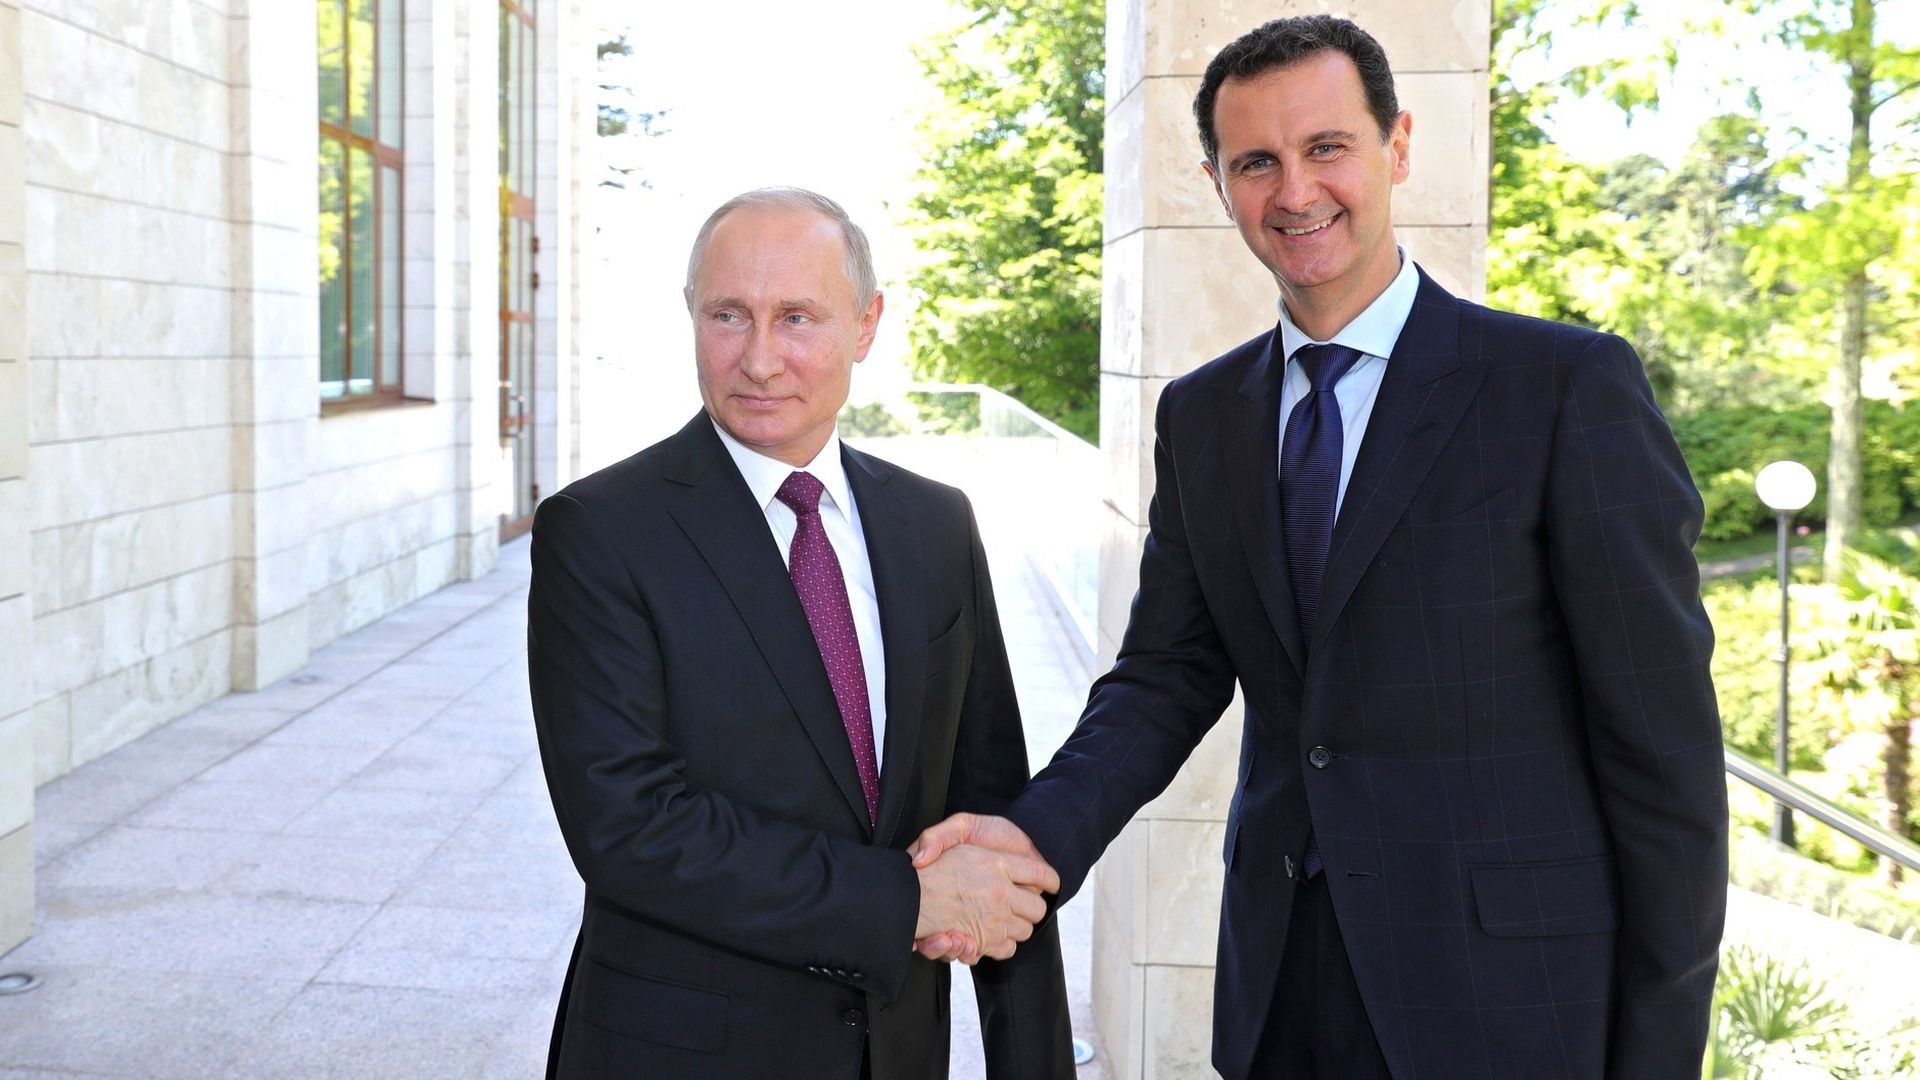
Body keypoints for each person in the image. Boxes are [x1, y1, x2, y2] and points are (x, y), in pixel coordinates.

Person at [911, 15, 1727, 1080]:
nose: (1294, 192)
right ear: (1217, 183)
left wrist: (1659, 1058)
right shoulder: (1205, 416)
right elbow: (1168, 674)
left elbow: (1664, 765)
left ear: (1396, 147)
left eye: (1326, 147)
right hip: (1284, 988)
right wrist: (1035, 838)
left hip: (1510, 1006)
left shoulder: (1564, 390)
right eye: (1256, 162)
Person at [528, 187, 1074, 1080]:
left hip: (894, 1052)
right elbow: (627, 826)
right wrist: (899, 898)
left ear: (866, 326)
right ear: (692, 319)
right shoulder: (600, 530)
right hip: (680, 1053)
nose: (760, 358)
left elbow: (989, 814)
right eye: (728, 315)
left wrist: (1033, 1064)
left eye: (798, 318)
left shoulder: (936, 525)